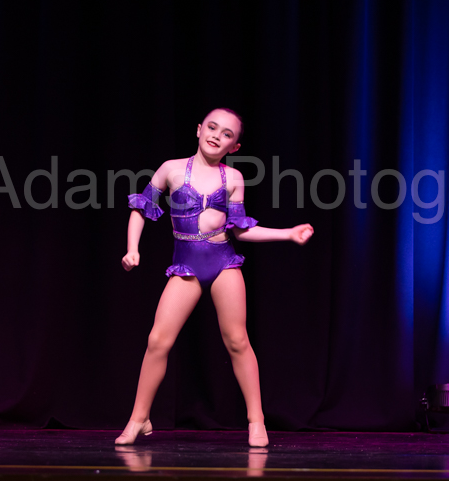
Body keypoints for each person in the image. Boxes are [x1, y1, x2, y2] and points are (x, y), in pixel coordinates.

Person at [118, 107, 313, 447]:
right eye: (212, 127)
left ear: (234, 147)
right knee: (158, 341)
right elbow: (141, 209)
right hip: (186, 265)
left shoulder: (233, 178)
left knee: (237, 341)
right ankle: (139, 418)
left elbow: (240, 230)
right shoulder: (171, 169)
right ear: (198, 129)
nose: (216, 136)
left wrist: (287, 234)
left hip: (223, 262)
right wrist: (132, 248)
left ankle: (256, 420)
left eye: (226, 134)